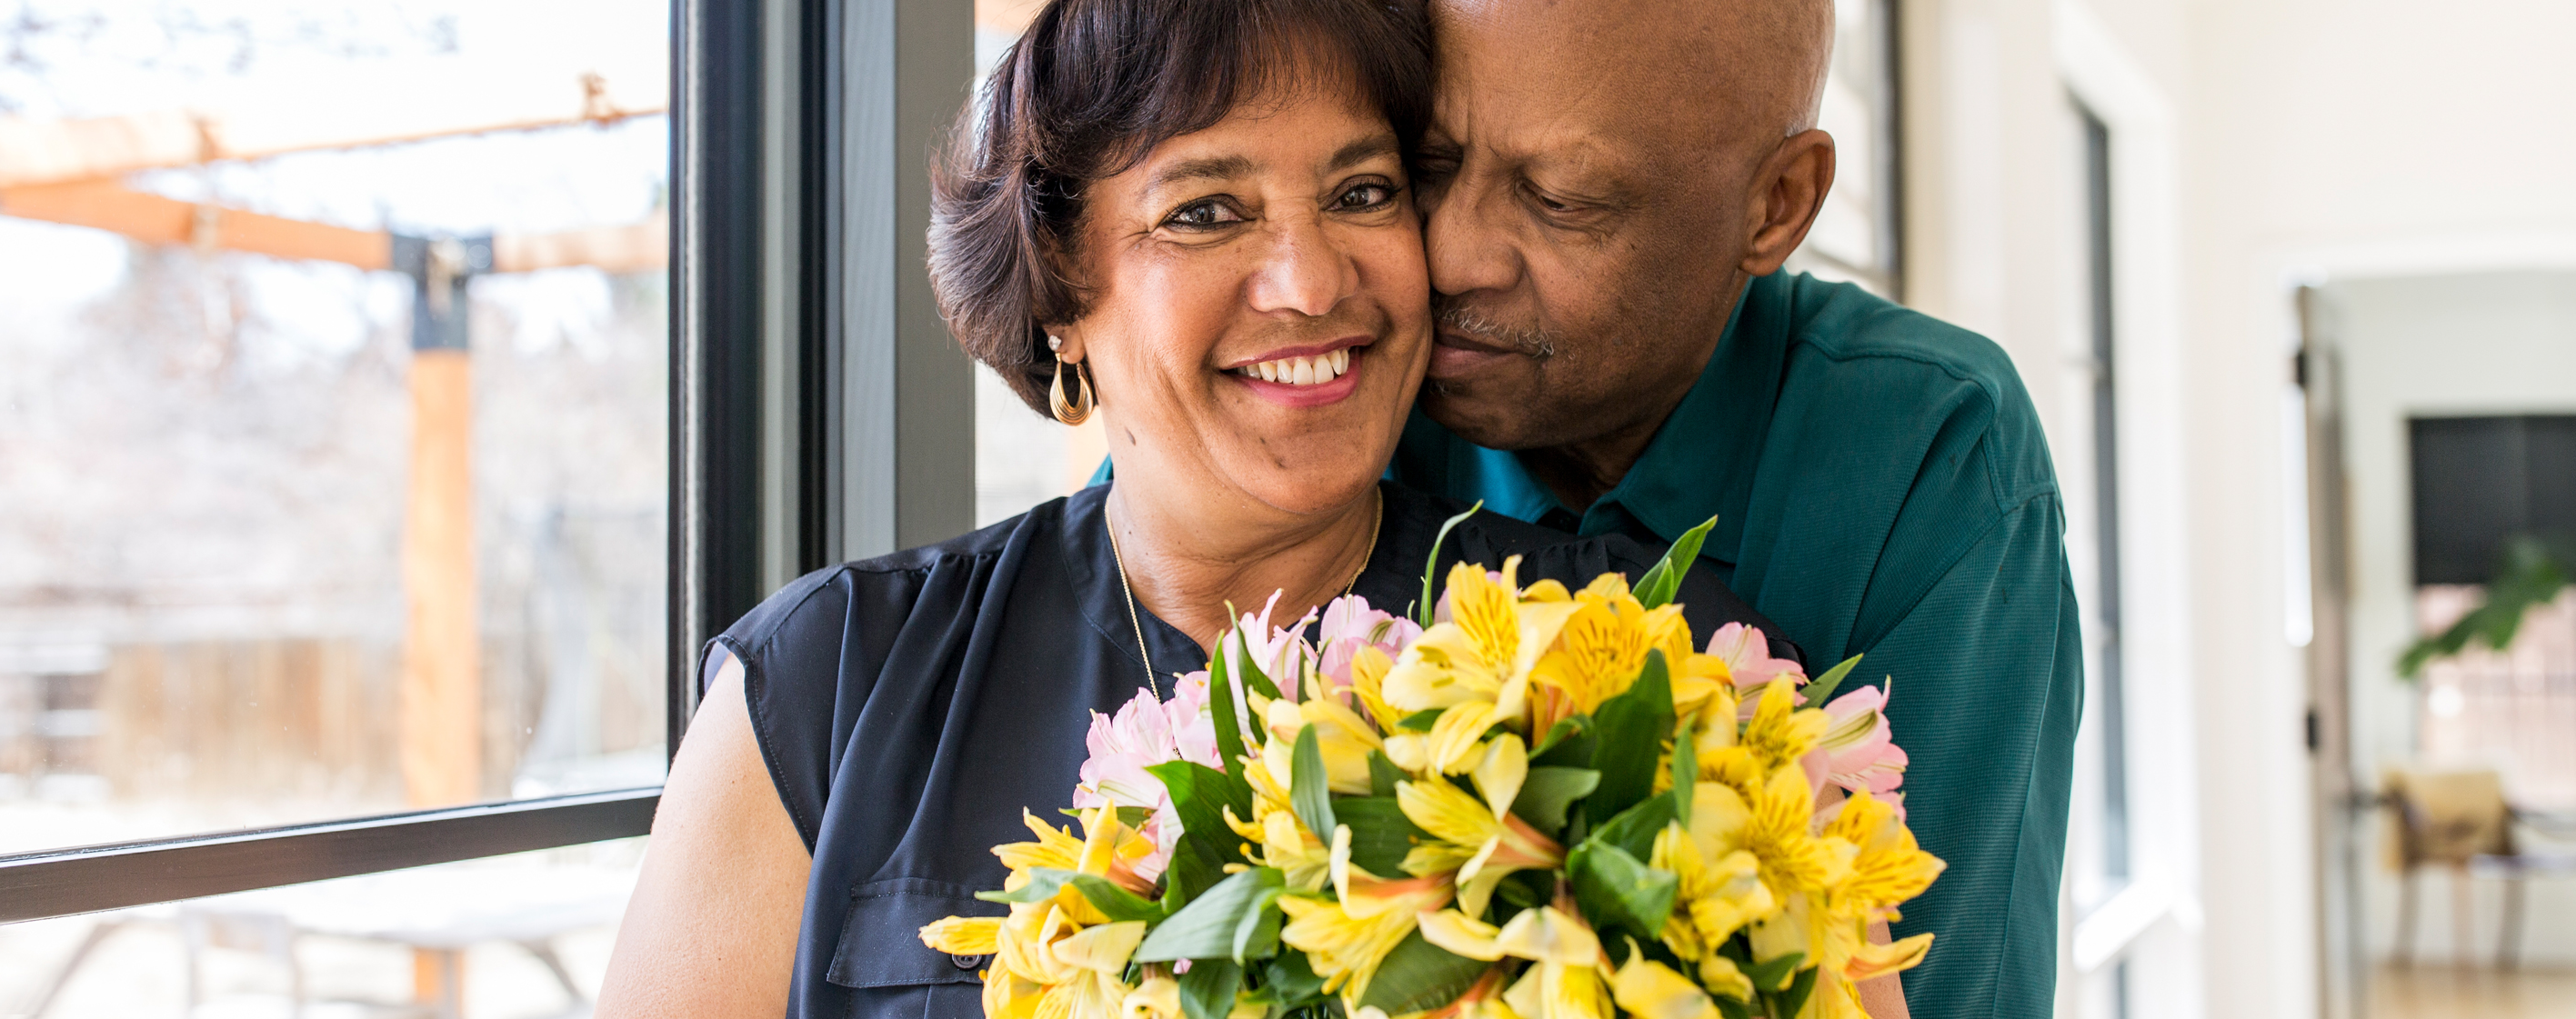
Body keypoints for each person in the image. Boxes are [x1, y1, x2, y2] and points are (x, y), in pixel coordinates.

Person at [596, 2, 1794, 1016]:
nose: (1313, 280)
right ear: (1057, 284)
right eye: (1205, 211)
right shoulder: (827, 681)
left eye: (1362, 190)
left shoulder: (1639, 650)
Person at [1388, 2, 2082, 1017]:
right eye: (1430, 164)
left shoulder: (1932, 451)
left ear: (1776, 205)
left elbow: (1935, 988)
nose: (1449, 257)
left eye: (1562, 197)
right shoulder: (1344, 378)